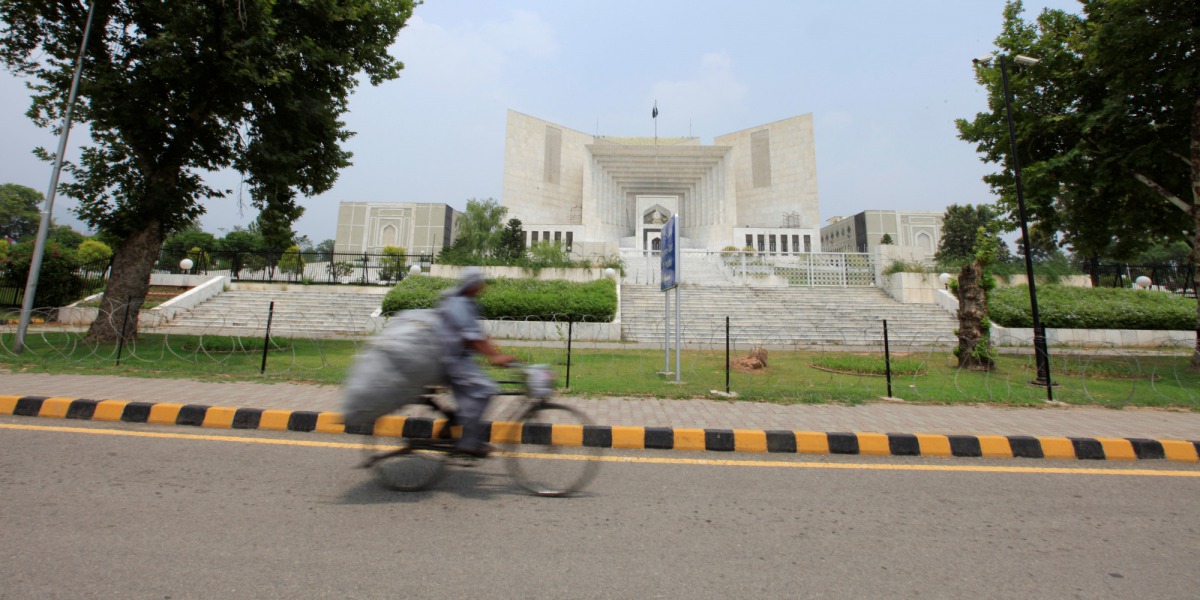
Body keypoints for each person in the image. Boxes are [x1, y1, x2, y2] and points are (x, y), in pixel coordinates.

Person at [437, 267, 515, 457]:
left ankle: (453, 423)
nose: (482, 287)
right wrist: (495, 357)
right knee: (485, 389)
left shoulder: (465, 303)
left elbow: (478, 335)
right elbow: (472, 338)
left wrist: (496, 353)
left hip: (459, 359)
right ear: (472, 285)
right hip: (452, 361)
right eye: (479, 283)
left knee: (471, 395)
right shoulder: (459, 305)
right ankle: (469, 443)